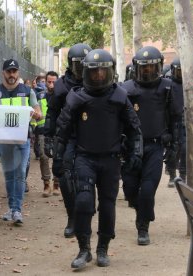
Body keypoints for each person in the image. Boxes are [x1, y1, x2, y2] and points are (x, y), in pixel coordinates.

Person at [56, 49, 142, 269]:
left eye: (103, 72)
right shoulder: (77, 97)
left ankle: (102, 248)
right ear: (86, 73)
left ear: (110, 72)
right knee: (83, 202)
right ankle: (83, 249)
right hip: (84, 158)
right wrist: (58, 157)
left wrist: (136, 153)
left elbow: (134, 128)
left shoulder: (120, 96)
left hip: (111, 160)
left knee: (107, 205)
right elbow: (63, 128)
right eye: (94, 72)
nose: (98, 76)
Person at [121, 46, 181, 246]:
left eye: (151, 67)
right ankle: (143, 210)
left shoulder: (167, 87)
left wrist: (174, 146)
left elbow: (175, 118)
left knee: (147, 189)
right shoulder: (126, 89)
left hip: (155, 146)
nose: (147, 72)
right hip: (130, 148)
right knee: (130, 190)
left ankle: (143, 227)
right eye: (143, 68)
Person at [0, 58, 42, 225]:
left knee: (20, 173)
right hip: (4, 140)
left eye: (14, 71)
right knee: (9, 175)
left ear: (18, 73)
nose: (12, 74)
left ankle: (17, 210)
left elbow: (39, 112)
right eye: (9, 71)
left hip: (23, 140)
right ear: (3, 73)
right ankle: (11, 207)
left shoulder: (27, 91)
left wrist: (36, 114)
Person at [44, 43, 92, 238]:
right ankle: (72, 217)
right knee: (64, 178)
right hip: (68, 137)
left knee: (87, 179)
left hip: (91, 137)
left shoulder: (96, 82)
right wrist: (48, 137)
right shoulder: (62, 85)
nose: (81, 69)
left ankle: (86, 218)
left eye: (84, 65)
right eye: (78, 65)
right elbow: (52, 112)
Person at [35, 71, 60, 197]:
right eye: (48, 82)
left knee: (57, 157)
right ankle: (46, 184)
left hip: (57, 131)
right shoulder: (39, 96)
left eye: (54, 82)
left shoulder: (61, 96)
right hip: (42, 131)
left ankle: (56, 184)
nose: (51, 85)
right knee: (44, 157)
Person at [165, 57, 186, 187]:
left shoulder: (190, 83)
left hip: (185, 121)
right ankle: (172, 175)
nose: (180, 74)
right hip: (172, 122)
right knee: (172, 149)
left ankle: (183, 175)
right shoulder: (168, 85)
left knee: (185, 149)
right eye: (178, 71)